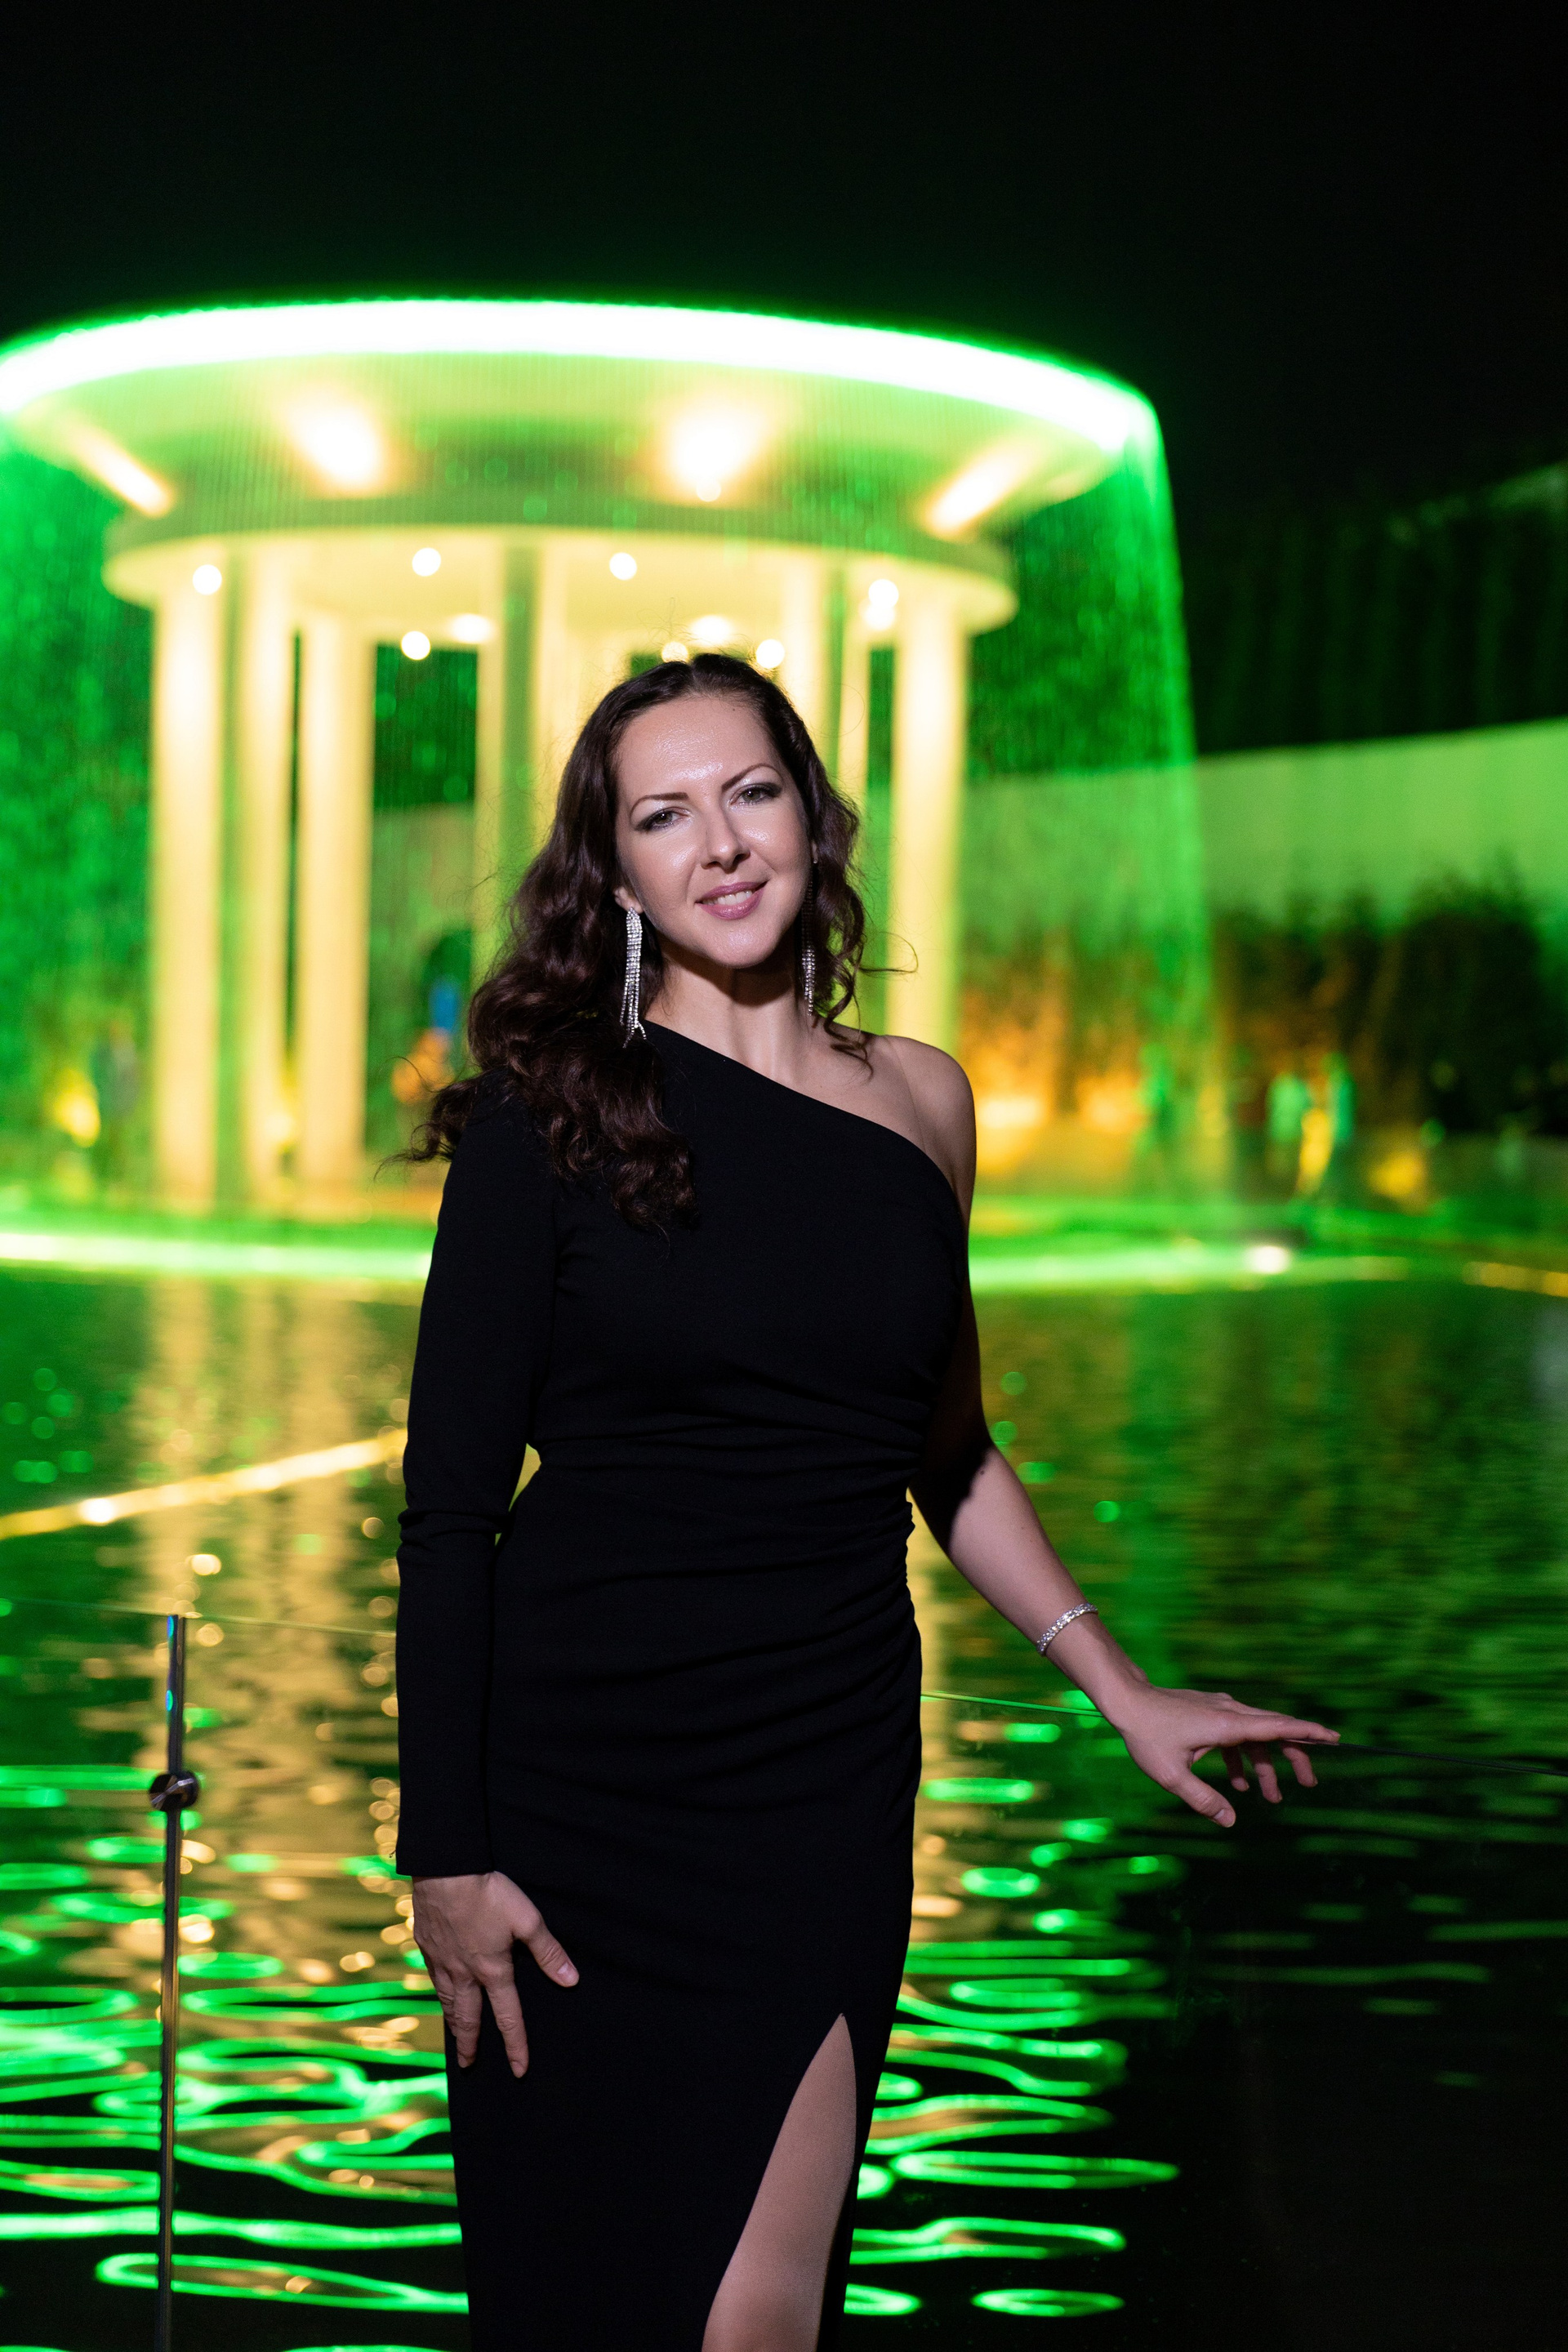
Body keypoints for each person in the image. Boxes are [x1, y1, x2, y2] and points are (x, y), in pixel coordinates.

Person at [394, 654, 1335, 2351]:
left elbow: (947, 1449)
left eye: (750, 793)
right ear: (618, 872)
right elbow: (449, 1510)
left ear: (813, 817)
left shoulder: (925, 1102)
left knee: (761, 2312)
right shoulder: (550, 1118)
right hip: (578, 1787)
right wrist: (443, 1856)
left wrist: (1120, 1688)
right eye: (664, 817)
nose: (721, 846)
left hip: (819, 1778)